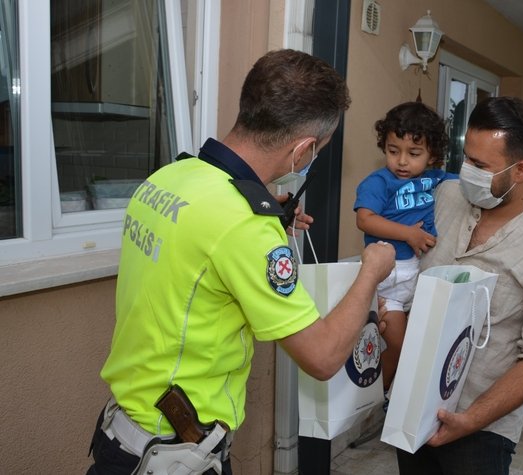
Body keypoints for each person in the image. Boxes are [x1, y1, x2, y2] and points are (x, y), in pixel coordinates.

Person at [85, 49, 395, 475]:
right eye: (319, 148)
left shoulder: (171, 176)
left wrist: (268, 219)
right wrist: (371, 272)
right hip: (174, 456)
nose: (314, 156)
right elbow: (322, 357)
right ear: (302, 148)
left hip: (125, 435)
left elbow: (198, 259)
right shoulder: (245, 225)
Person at [395, 97, 523, 474]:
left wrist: (471, 418)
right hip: (412, 402)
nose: (466, 172)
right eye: (466, 158)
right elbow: (387, 218)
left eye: (480, 166)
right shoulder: (444, 198)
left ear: (521, 171)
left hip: (481, 429)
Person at [354, 101, 455, 394]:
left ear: (432, 155)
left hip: (415, 277)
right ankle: (378, 394)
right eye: (393, 150)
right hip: (387, 281)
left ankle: (384, 394)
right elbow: (365, 219)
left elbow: (470, 186)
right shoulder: (378, 182)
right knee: (402, 344)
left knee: (411, 347)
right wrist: (408, 234)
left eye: (414, 154)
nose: (401, 161)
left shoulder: (435, 179)